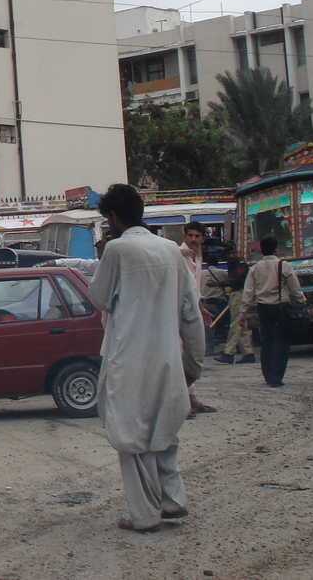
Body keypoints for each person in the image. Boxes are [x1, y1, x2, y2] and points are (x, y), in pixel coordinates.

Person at [89, 183, 205, 533]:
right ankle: (172, 501)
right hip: (168, 357)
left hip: (129, 359)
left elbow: (100, 298)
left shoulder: (118, 250)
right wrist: (193, 365)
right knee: (164, 431)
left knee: (130, 435)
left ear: (112, 217)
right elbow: (192, 313)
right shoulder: (171, 250)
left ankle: (144, 515)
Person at [241, 235, 306, 387]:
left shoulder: (255, 268)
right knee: (282, 341)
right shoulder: (284, 266)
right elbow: (294, 288)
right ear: (276, 249)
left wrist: (243, 312)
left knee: (267, 340)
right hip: (281, 307)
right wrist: (301, 302)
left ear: (262, 250)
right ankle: (276, 377)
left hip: (263, 308)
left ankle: (267, 375)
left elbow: (248, 291)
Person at [180, 221, 216, 416]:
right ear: (184, 236)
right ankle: (181, 401)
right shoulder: (180, 252)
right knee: (183, 355)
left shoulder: (198, 255)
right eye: (190, 236)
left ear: (202, 238)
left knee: (194, 355)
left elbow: (195, 286)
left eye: (197, 236)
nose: (193, 240)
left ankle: (190, 398)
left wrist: (201, 307)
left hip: (192, 311)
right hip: (179, 312)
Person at [215, 253, 255, 364]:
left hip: (239, 294)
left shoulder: (240, 264)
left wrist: (219, 284)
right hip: (236, 294)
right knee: (241, 326)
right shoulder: (232, 264)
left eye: (233, 252)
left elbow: (237, 279)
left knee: (236, 324)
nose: (231, 255)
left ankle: (229, 353)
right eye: (229, 253)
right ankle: (248, 353)